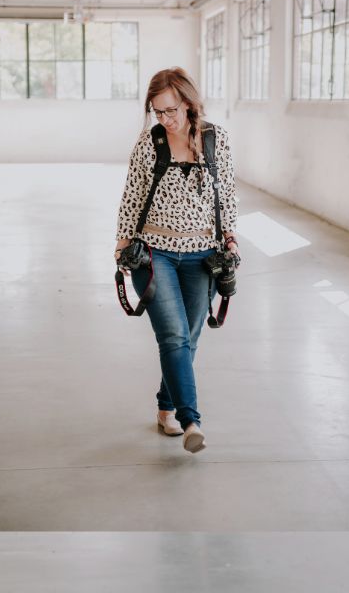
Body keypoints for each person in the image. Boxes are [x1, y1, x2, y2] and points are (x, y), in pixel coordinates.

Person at [114, 67, 239, 454]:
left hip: (203, 255)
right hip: (155, 253)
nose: (164, 119)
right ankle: (191, 421)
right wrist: (121, 249)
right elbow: (132, 197)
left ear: (188, 102)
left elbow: (228, 195)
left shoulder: (214, 140)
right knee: (173, 336)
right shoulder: (149, 143)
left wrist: (231, 240)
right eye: (157, 112)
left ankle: (166, 407)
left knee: (189, 338)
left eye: (169, 110)